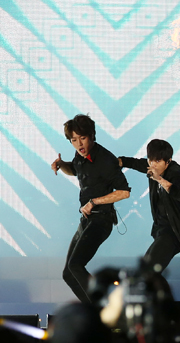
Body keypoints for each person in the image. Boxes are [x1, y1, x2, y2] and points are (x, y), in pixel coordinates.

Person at [51, 114, 131, 304]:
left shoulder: (106, 159)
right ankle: (93, 313)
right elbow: (76, 170)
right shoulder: (79, 156)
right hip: (86, 220)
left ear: (92, 136)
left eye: (83, 138)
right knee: (68, 273)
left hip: (101, 219)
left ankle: (104, 309)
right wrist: (62, 165)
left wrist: (94, 202)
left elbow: (124, 192)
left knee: (76, 265)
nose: (79, 144)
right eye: (74, 140)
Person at [119, 139, 180, 272]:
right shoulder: (152, 167)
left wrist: (160, 180)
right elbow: (136, 163)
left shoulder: (177, 172)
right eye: (151, 160)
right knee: (146, 271)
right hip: (161, 230)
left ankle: (161, 292)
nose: (153, 165)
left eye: (158, 161)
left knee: (149, 271)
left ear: (168, 161)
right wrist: (120, 161)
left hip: (175, 232)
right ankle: (161, 292)